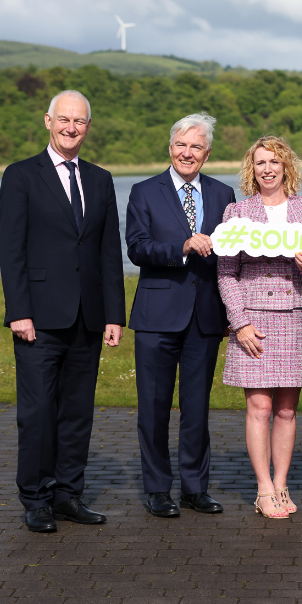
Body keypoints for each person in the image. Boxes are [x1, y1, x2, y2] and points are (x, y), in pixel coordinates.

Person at [0, 89, 126, 533]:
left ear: (88, 127)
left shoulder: (101, 179)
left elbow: (109, 253)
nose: (72, 128)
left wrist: (114, 314)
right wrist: (19, 311)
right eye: (64, 119)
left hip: (88, 318)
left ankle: (68, 494)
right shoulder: (20, 176)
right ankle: (35, 498)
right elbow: (11, 250)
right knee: (36, 413)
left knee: (77, 412)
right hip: (38, 318)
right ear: (48, 121)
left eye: (80, 121)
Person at [125, 112, 237, 519]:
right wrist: (183, 247)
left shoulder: (224, 194)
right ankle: (158, 489)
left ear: (207, 153)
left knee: (197, 408)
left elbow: (233, 251)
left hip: (205, 317)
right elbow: (137, 248)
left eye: (196, 147)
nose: (187, 153)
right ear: (170, 147)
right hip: (156, 317)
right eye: (181, 145)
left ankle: (194, 488)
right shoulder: (143, 191)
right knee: (154, 407)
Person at [217, 136, 302, 519]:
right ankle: (263, 488)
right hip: (254, 319)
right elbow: (226, 272)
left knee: (285, 410)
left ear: (286, 167)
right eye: (260, 162)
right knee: (259, 406)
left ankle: (281, 483)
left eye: (274, 162)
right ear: (252, 169)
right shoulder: (236, 212)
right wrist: (240, 323)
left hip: (297, 316)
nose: (267, 169)